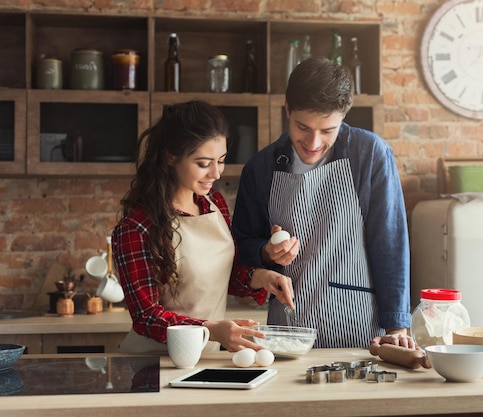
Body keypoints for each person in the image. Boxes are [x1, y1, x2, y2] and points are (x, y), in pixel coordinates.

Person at [232, 57, 414, 349]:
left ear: (343, 116)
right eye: (302, 127)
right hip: (288, 332)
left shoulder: (370, 154)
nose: (313, 142)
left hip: (362, 330)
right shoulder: (261, 168)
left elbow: (390, 244)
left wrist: (398, 326)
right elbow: (241, 246)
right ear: (287, 109)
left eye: (328, 131)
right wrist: (266, 252)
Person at [111, 100, 294, 353]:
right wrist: (212, 329)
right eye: (203, 163)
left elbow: (215, 278)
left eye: (221, 160)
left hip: (204, 357)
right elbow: (146, 317)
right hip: (153, 362)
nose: (216, 173)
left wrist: (260, 277)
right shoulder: (137, 227)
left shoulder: (214, 204)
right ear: (170, 156)